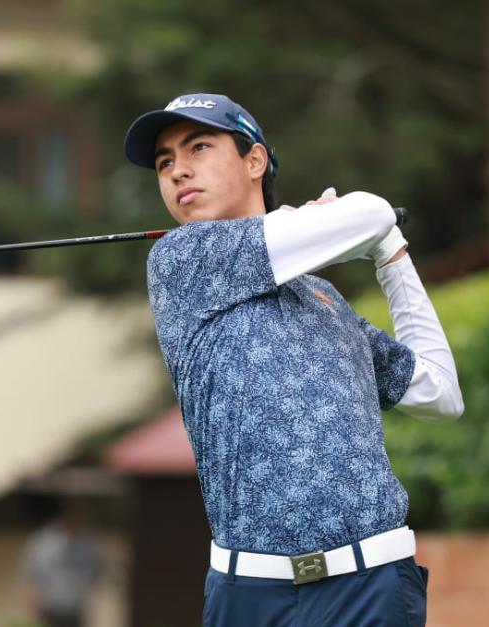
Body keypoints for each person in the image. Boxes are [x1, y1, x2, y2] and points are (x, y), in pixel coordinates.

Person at [123, 93, 464, 627]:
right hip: (253, 596)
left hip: (373, 586)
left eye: (199, 147)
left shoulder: (324, 298)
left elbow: (439, 394)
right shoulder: (181, 260)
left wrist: (391, 254)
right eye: (165, 162)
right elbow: (371, 211)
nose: (177, 170)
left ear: (254, 161)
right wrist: (353, 225)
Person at [20, 504, 104, 627]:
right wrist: (32, 602)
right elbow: (31, 575)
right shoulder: (43, 542)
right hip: (50, 607)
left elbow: (96, 574)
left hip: (75, 608)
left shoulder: (87, 543)